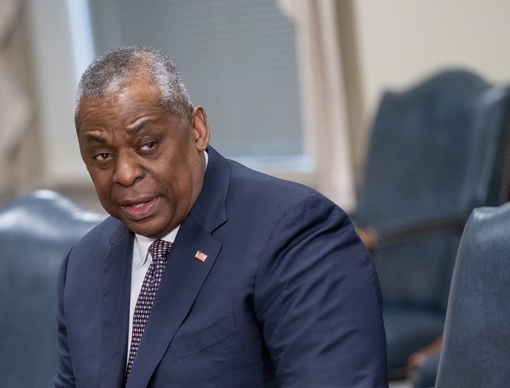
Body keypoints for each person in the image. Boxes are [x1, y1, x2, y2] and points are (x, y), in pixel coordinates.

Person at [52, 45, 388, 387]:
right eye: (103, 155)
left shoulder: (296, 232)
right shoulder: (84, 265)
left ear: (197, 129)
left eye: (148, 144)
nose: (124, 174)